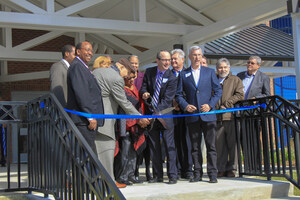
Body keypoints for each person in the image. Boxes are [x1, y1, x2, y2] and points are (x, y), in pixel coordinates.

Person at [93, 58, 150, 187]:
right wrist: (140, 117)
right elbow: (124, 102)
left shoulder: (98, 72)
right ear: (122, 67)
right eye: (128, 73)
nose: (127, 77)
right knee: (107, 153)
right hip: (105, 123)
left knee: (96, 154)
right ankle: (109, 182)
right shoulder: (116, 78)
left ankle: (100, 181)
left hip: (93, 119)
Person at [175, 46, 222, 183]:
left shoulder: (209, 72)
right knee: (195, 147)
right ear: (189, 57)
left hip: (208, 115)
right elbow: (179, 95)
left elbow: (218, 91)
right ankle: (197, 174)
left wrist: (210, 105)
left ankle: (213, 174)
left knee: (211, 146)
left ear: (202, 57)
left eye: (199, 55)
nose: (197, 58)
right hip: (193, 116)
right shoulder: (184, 74)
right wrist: (185, 105)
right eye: (194, 55)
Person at [140, 50, 178, 184]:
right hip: (151, 116)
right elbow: (143, 87)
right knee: (154, 146)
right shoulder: (149, 72)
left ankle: (172, 175)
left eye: (169, 60)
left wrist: (157, 112)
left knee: (169, 146)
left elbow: (167, 100)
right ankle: (157, 175)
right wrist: (144, 93)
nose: (168, 62)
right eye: (164, 60)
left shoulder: (172, 77)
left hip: (165, 116)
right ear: (157, 60)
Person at [66, 41, 104, 154]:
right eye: (87, 50)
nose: (90, 53)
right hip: (83, 121)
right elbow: (82, 93)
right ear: (78, 51)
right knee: (88, 156)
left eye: (91, 51)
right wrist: (90, 116)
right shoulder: (77, 66)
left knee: (85, 155)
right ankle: (92, 173)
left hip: (85, 120)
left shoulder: (82, 66)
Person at [114, 71, 145, 185]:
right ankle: (122, 176)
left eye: (133, 78)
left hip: (136, 125)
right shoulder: (122, 89)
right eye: (129, 78)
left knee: (133, 152)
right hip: (126, 125)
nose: (132, 80)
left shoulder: (135, 88)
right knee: (125, 152)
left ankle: (131, 174)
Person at [215, 58, 244, 178]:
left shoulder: (235, 80)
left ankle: (232, 168)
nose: (223, 70)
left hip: (230, 117)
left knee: (233, 145)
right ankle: (221, 168)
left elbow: (240, 95)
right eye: (220, 67)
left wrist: (227, 104)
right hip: (217, 118)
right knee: (219, 145)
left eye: (225, 67)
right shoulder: (214, 80)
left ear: (229, 68)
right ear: (217, 69)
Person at [170, 49, 193, 179]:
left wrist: (182, 104)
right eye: (172, 59)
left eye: (175, 59)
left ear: (183, 60)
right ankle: (177, 169)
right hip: (172, 113)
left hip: (186, 112)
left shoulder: (187, 73)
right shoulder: (167, 74)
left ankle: (188, 169)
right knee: (175, 141)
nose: (173, 61)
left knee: (187, 141)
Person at [128, 55, 151, 181]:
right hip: (131, 116)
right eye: (132, 63)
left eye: (136, 63)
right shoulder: (124, 77)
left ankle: (147, 170)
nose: (135, 66)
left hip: (144, 114)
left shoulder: (144, 76)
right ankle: (134, 171)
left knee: (145, 145)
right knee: (132, 145)